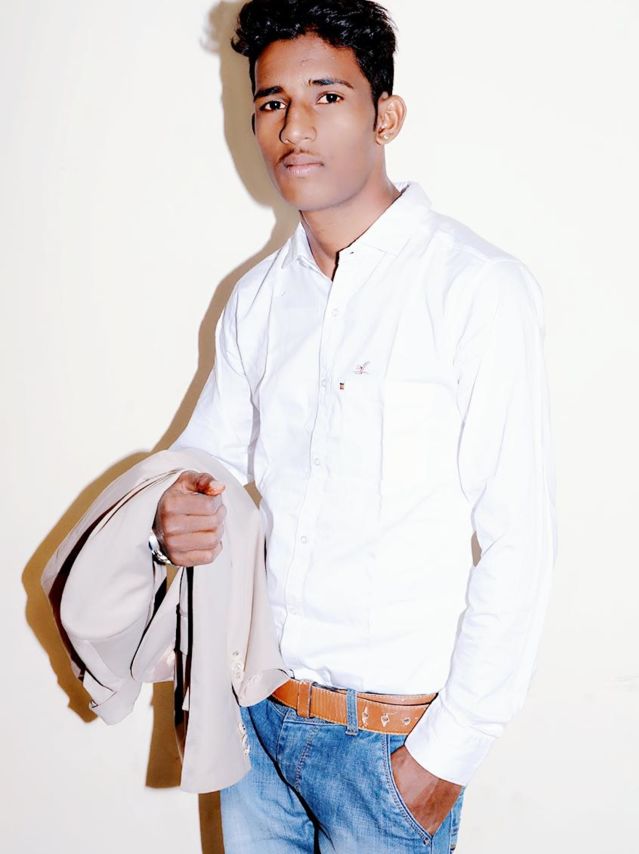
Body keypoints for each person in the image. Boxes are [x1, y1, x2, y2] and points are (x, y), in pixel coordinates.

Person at [151, 1, 557, 850]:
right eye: (272, 102)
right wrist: (176, 506)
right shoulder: (259, 299)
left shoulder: (474, 288)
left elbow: (520, 538)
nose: (294, 126)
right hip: (257, 726)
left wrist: (443, 758)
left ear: (386, 116)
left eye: (326, 96)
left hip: (390, 751)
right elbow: (205, 462)